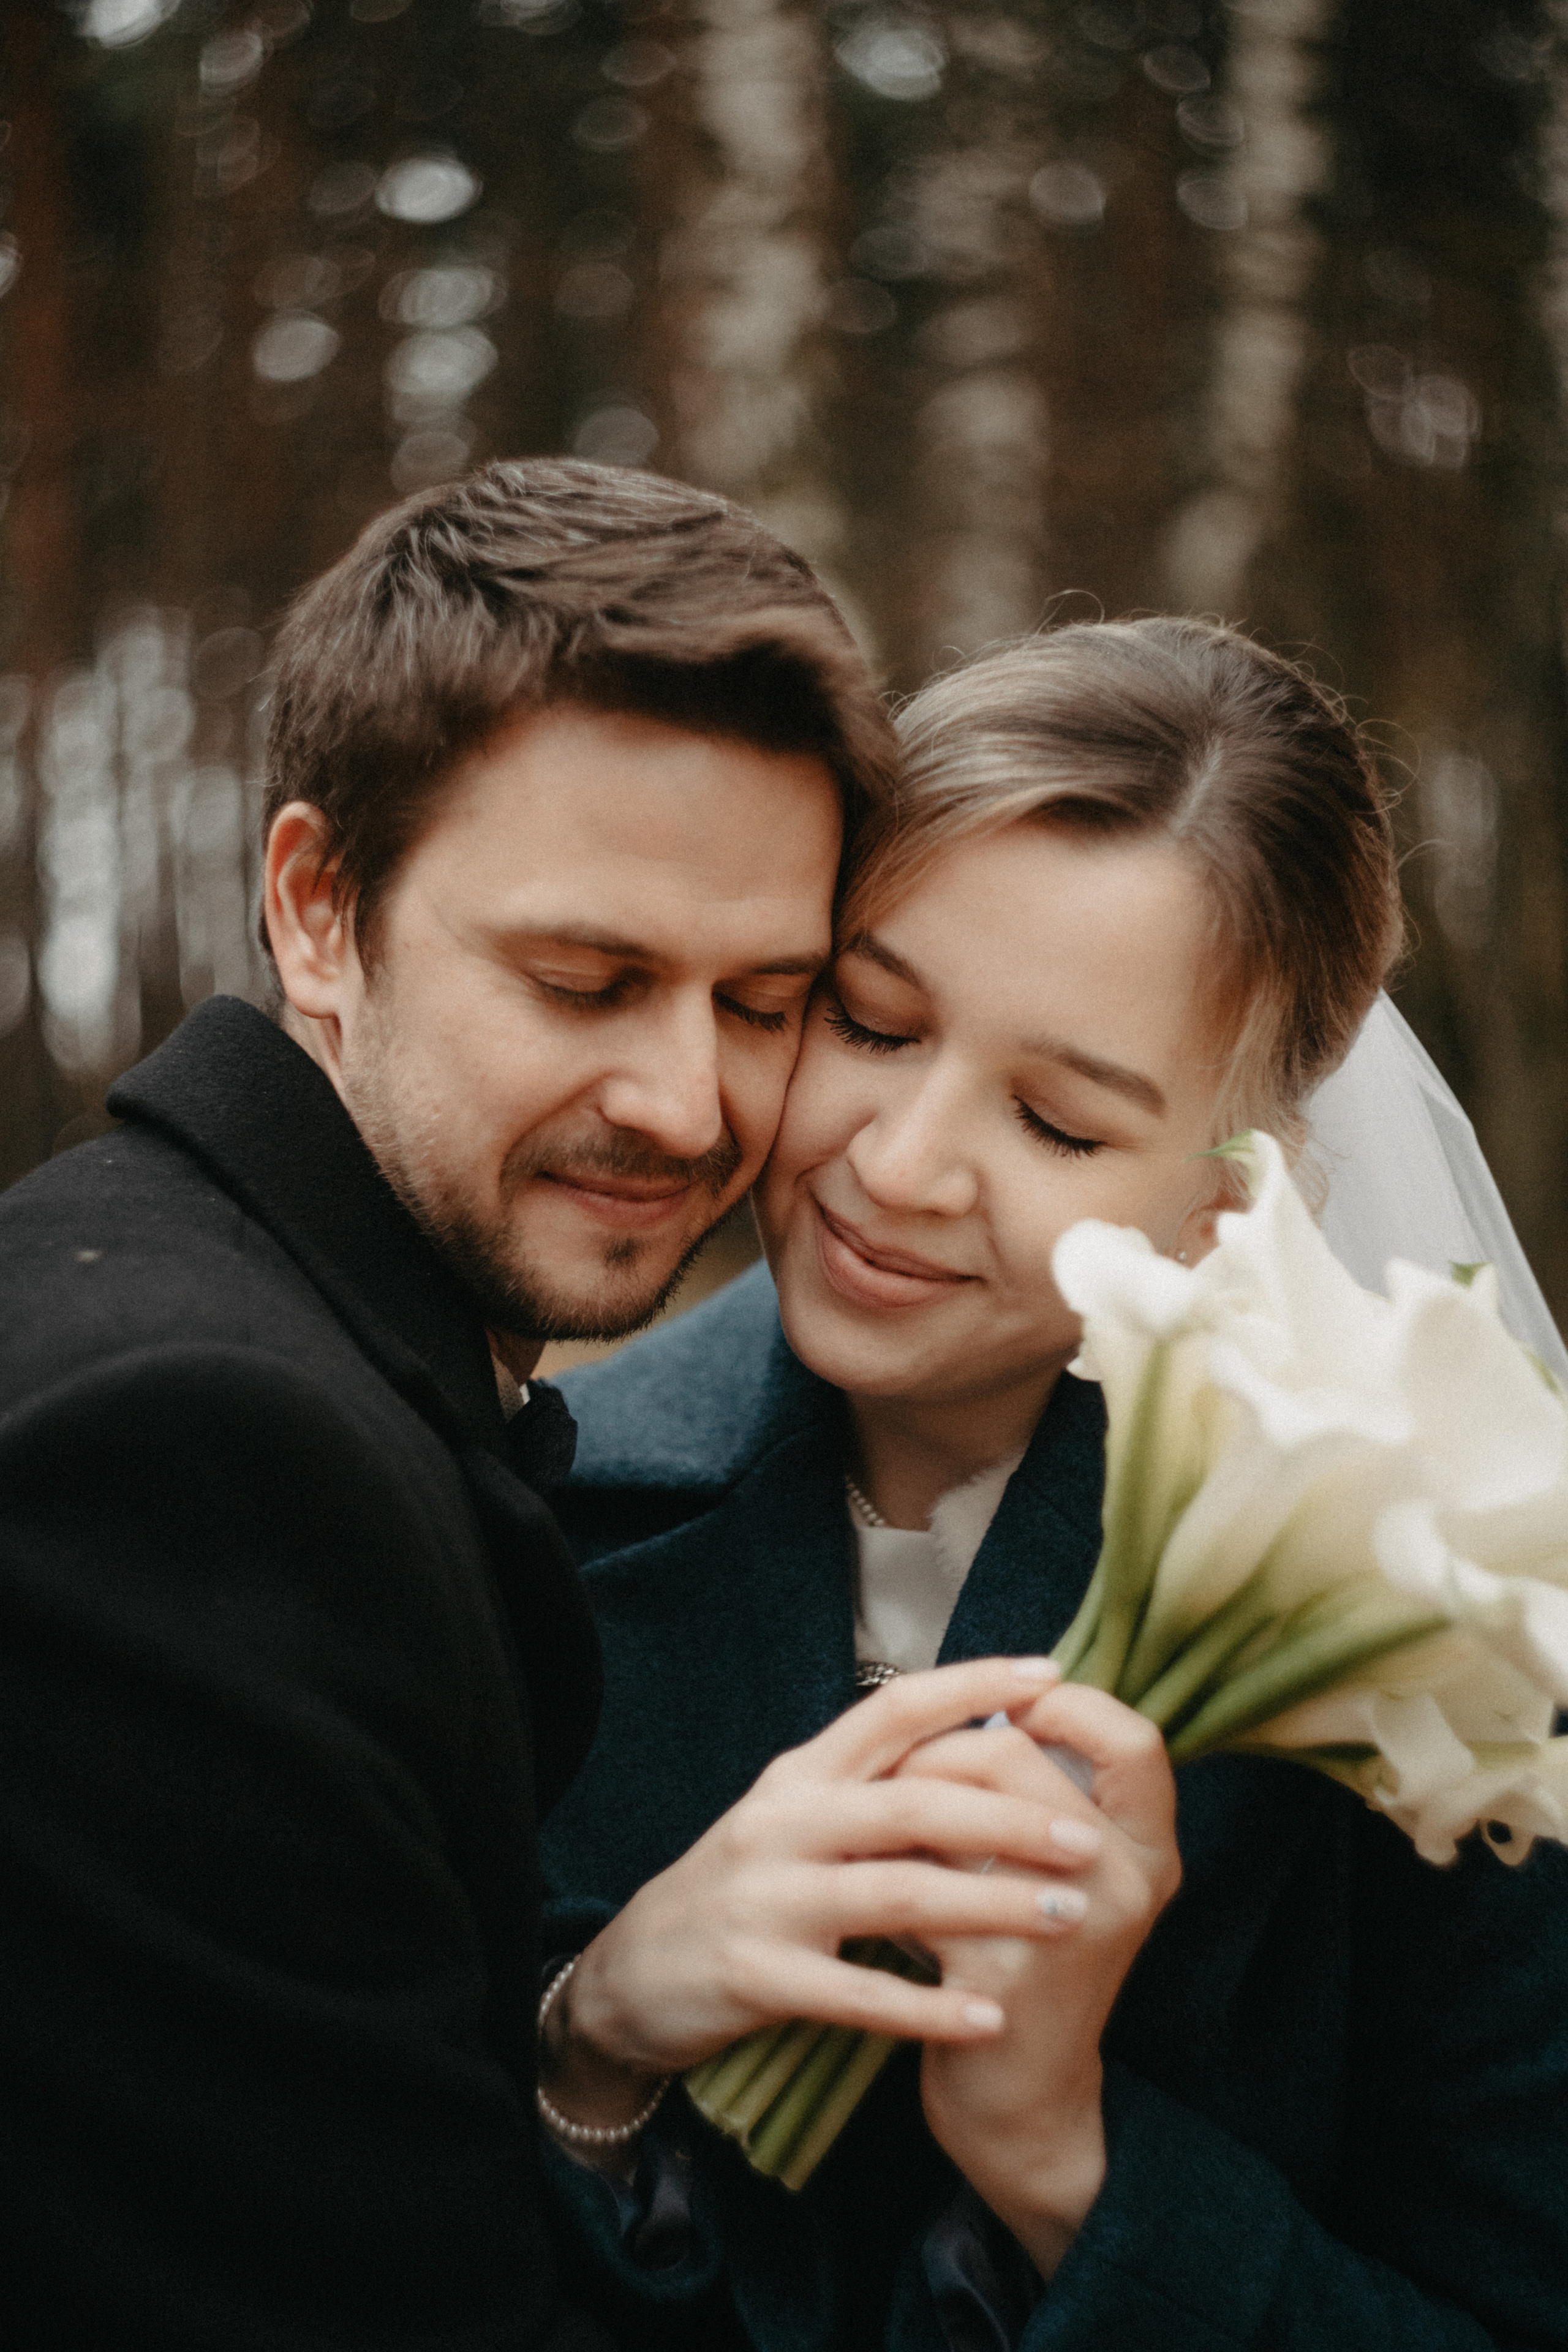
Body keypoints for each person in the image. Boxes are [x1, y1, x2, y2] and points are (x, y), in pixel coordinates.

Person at [535, 619, 1568, 2351]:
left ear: (1229, 1210)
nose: (900, 1164)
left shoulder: (1427, 1624)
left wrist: (1061, 2159)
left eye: (1060, 1123)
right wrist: (594, 2037)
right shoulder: (538, 1506)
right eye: (871, 1022)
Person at [0, 456, 927, 2351]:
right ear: (316, 910)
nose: (687, 1104)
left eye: (763, 1002)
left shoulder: (245, 1318)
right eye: (587, 980)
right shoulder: (193, 1457)